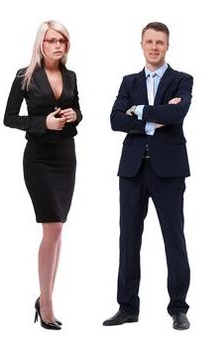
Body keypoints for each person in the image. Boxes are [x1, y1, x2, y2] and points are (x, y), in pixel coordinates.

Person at [102, 22, 193, 331]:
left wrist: (138, 110)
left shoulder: (182, 80)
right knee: (128, 239)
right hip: (132, 170)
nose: (155, 47)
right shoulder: (128, 82)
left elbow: (176, 115)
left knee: (174, 239)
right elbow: (115, 120)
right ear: (141, 44)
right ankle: (127, 307)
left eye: (160, 42)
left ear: (168, 46)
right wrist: (154, 119)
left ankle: (178, 308)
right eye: (150, 42)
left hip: (169, 171)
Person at [1, 20, 78, 331]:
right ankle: (46, 302)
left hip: (66, 157)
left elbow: (77, 113)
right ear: (41, 44)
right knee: (53, 229)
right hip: (39, 159)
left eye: (62, 40)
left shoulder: (70, 75)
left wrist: (75, 115)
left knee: (58, 231)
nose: (57, 45)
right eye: (51, 40)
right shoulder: (25, 76)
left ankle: (46, 296)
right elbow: (8, 118)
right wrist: (41, 123)